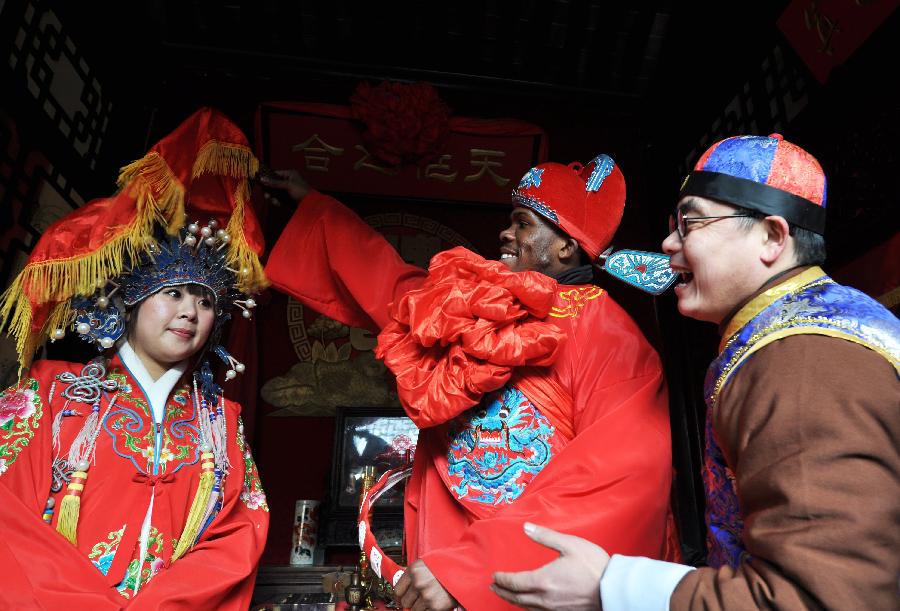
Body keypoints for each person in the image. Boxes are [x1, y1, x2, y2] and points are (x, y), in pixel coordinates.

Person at [492, 134, 900, 610]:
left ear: (772, 236)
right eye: (673, 224)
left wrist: (613, 585)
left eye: (691, 224)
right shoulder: (789, 336)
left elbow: (820, 595)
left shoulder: (805, 357)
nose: (668, 243)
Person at [262, 155, 680, 610]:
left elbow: (621, 472)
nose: (506, 233)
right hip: (446, 555)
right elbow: (390, 282)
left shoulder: (605, 329)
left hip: (524, 572)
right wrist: (313, 208)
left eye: (523, 223)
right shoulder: (472, 303)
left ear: (565, 245)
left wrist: (471, 568)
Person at [0, 107, 270, 609]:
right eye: (172, 293)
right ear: (131, 301)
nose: (190, 311)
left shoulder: (220, 423)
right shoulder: (51, 395)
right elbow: (6, 522)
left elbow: (239, 534)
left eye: (206, 301)